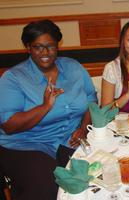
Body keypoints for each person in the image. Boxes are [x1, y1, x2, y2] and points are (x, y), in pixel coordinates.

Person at [0, 20, 97, 199]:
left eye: (50, 46)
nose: (45, 53)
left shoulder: (73, 67)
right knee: (48, 186)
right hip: (27, 145)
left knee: (93, 176)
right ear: (28, 47)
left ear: (57, 46)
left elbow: (91, 99)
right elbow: (8, 125)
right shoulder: (13, 78)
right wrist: (45, 107)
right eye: (38, 47)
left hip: (69, 140)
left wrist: (84, 127)